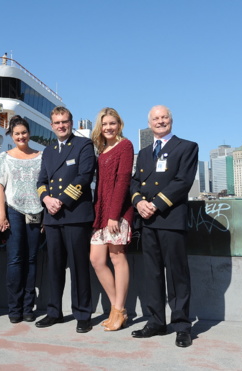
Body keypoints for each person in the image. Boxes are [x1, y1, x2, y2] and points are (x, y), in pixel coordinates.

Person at [130, 105, 198, 348]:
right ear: (149, 124)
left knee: (177, 275)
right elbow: (135, 181)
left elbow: (183, 182)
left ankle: (181, 326)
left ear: (171, 120)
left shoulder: (187, 147)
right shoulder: (145, 152)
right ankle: (156, 322)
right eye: (156, 119)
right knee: (153, 274)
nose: (160, 121)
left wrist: (155, 204)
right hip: (148, 222)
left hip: (171, 220)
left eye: (164, 117)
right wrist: (138, 202)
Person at [35, 106, 96, 333]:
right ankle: (54, 312)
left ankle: (82, 314)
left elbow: (84, 176)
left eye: (65, 121)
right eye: (57, 122)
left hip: (74, 215)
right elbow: (41, 180)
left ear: (71, 123)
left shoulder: (84, 145)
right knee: (54, 267)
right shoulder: (48, 151)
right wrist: (46, 199)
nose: (61, 126)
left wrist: (59, 200)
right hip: (52, 217)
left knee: (79, 266)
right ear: (51, 126)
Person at [0, 116, 43, 323]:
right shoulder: (5, 157)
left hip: (36, 212)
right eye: (17, 133)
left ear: (29, 134)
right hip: (14, 212)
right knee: (15, 260)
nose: (21, 136)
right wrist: (2, 214)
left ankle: (29, 307)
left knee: (31, 259)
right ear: (12, 135)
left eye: (24, 133)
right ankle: (14, 308)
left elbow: (46, 185)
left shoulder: (41, 157)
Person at [89, 107, 134, 331]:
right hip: (100, 213)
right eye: (105, 124)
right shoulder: (102, 150)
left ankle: (118, 310)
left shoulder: (125, 146)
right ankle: (118, 309)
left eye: (112, 124)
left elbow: (123, 181)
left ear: (120, 125)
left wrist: (114, 215)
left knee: (117, 257)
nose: (108, 128)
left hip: (116, 214)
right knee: (97, 260)